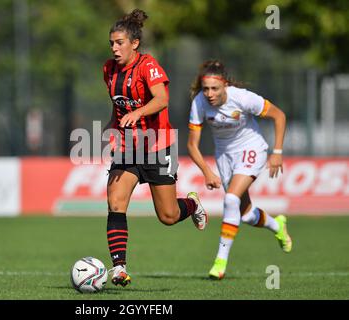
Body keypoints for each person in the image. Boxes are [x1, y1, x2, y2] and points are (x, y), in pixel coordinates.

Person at [103, 9, 208, 287]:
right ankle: (119, 268)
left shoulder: (148, 65)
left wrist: (138, 114)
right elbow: (119, 106)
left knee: (169, 216)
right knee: (115, 202)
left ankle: (192, 203)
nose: (114, 48)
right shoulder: (109, 70)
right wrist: (110, 126)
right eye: (111, 43)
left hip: (158, 146)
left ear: (134, 43)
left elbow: (161, 99)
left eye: (119, 43)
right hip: (128, 148)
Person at [187, 60, 292, 280]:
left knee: (231, 199)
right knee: (245, 214)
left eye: (214, 88)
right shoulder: (199, 103)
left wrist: (278, 152)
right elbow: (191, 145)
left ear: (225, 85)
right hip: (224, 156)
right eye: (205, 89)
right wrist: (207, 171)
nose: (209, 93)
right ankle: (277, 225)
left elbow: (279, 116)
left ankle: (220, 261)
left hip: (251, 148)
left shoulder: (243, 98)